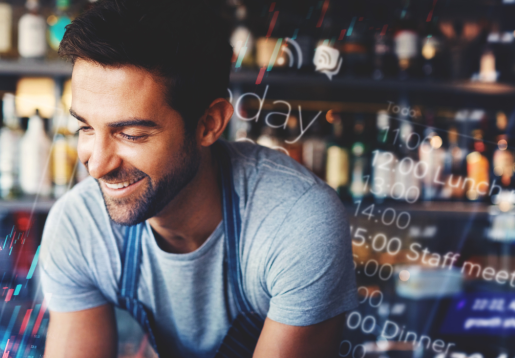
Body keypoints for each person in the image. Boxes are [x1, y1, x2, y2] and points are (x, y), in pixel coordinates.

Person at [39, 0, 358, 357]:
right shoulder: (78, 225)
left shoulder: (297, 222)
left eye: (130, 133)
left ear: (209, 124)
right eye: (85, 127)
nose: (96, 166)